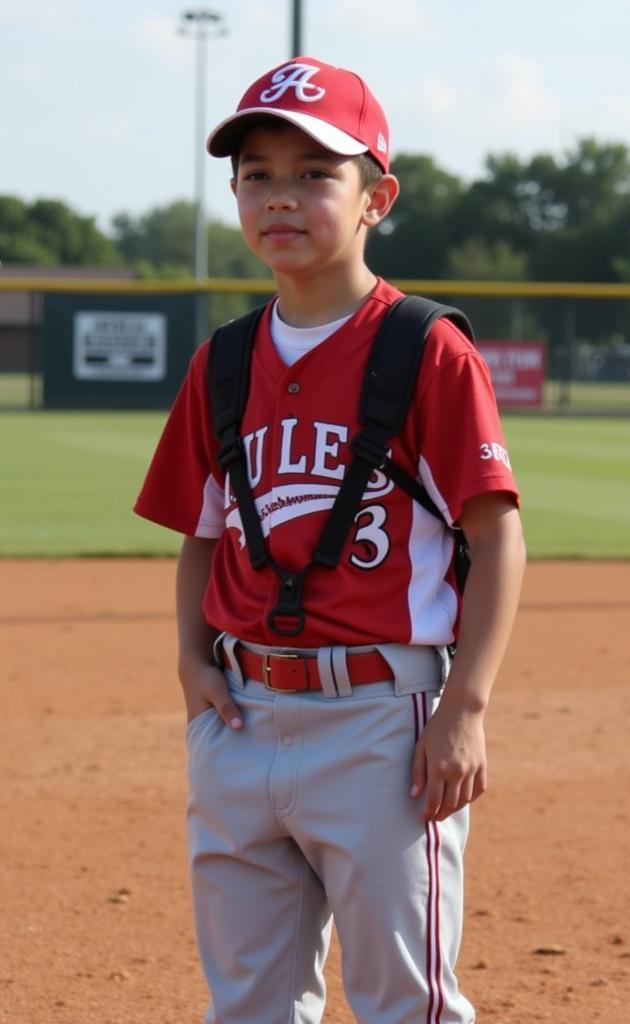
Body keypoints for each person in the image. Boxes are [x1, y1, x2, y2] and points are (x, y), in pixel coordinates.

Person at [135, 56, 525, 1024]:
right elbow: (201, 533)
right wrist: (190, 664)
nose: (281, 196)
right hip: (240, 716)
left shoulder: (425, 346)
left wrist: (464, 706)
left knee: (405, 999)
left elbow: (497, 531)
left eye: (316, 172)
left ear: (374, 198)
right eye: (257, 173)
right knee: (250, 999)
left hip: (382, 722)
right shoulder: (223, 357)